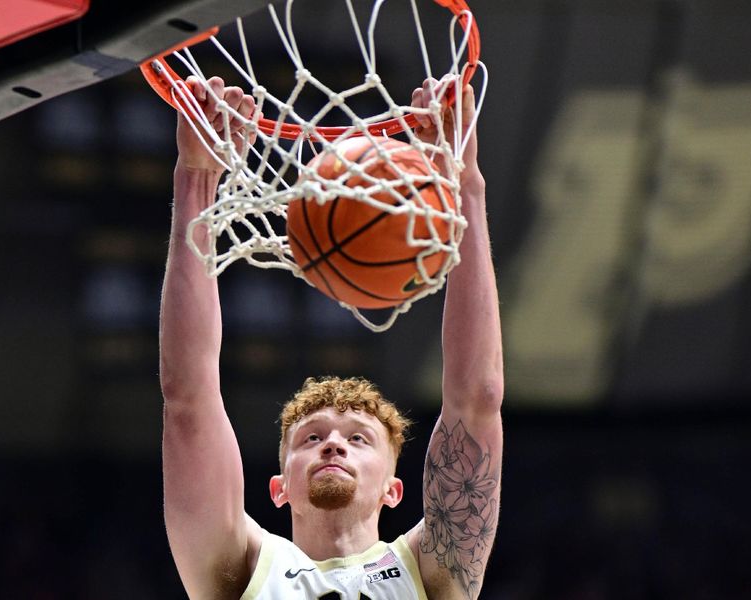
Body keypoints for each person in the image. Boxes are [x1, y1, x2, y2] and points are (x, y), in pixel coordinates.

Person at [159, 74, 503, 600]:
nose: (334, 444)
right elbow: (189, 399)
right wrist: (196, 180)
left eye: (358, 439)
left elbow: (476, 399)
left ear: (395, 489)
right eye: (311, 438)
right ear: (279, 489)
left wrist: (464, 186)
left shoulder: (430, 571)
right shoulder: (242, 566)